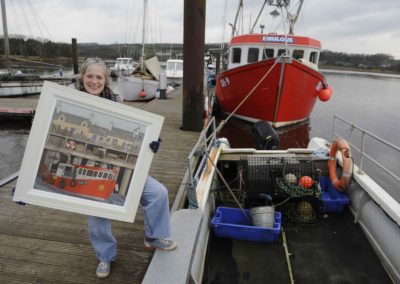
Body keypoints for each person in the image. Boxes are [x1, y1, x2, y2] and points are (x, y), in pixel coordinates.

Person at [76, 57, 177, 278]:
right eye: (89, 76)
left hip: (120, 166)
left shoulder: (116, 103)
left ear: (106, 80)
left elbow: (136, 130)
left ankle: (154, 235)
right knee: (97, 215)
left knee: (157, 193)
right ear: (82, 77)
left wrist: (153, 140)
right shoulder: (67, 102)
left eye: (99, 77)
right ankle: (105, 256)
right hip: (88, 170)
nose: (94, 81)